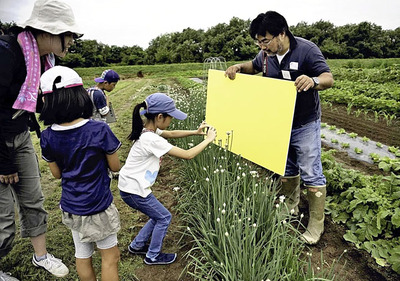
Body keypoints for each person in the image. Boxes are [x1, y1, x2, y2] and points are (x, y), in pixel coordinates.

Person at [225, 11, 334, 245]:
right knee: (285, 167)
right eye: (258, 41)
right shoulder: (265, 56)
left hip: (305, 123)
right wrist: (237, 68)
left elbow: (328, 78)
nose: (262, 46)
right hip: (278, 123)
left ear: (282, 34)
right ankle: (289, 207)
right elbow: (252, 67)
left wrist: (313, 81)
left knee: (311, 170)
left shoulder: (306, 50)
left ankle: (316, 225)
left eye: (265, 40)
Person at [0, 0, 83, 279]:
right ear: (48, 32)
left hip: (19, 134)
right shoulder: (6, 53)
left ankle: (41, 256)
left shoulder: (45, 62)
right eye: (69, 34)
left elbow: (35, 102)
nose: (72, 41)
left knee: (34, 199)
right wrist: (3, 161)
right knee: (3, 220)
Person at [39, 66, 122, 281]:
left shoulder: (47, 136)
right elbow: (115, 166)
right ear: (80, 97)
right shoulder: (98, 130)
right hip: (98, 205)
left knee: (83, 255)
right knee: (110, 256)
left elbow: (56, 174)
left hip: (72, 205)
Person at [118, 93, 217, 265]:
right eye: (170, 116)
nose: (172, 120)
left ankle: (137, 245)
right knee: (164, 217)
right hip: (135, 190)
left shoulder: (149, 130)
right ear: (160, 116)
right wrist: (208, 140)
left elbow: (170, 133)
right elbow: (187, 155)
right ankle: (153, 255)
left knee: (157, 215)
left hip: (131, 187)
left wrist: (195, 132)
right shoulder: (151, 139)